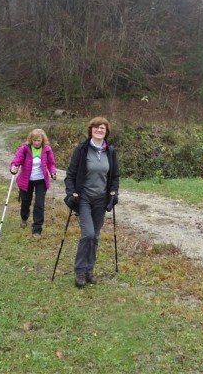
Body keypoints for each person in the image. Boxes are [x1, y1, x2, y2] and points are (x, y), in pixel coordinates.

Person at [64, 116, 119, 288]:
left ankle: (89, 270)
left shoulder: (110, 151)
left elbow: (115, 176)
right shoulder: (82, 150)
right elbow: (70, 175)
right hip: (84, 198)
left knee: (95, 236)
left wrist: (114, 192)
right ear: (91, 130)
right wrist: (71, 192)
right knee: (88, 234)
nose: (99, 130)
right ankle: (80, 271)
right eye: (96, 127)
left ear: (106, 132)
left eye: (102, 128)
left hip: (101, 200)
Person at [10, 128, 57, 240]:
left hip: (41, 180)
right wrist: (14, 167)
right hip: (26, 180)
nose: (36, 143)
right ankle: (24, 217)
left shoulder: (46, 149)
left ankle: (37, 229)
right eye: (34, 140)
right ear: (31, 140)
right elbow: (16, 160)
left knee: (39, 204)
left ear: (42, 140)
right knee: (26, 202)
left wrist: (53, 172)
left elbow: (51, 163)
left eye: (38, 141)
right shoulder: (25, 149)